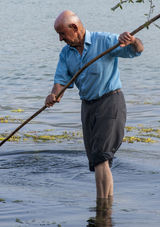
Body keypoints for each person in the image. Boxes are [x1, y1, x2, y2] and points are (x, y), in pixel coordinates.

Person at [45, 10, 144, 199]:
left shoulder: (104, 41)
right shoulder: (66, 53)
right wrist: (53, 95)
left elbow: (137, 51)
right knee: (96, 160)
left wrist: (132, 40)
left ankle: (102, 207)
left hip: (110, 102)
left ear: (74, 28)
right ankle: (105, 205)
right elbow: (60, 82)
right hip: (88, 106)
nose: (60, 39)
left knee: (101, 157)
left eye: (62, 34)